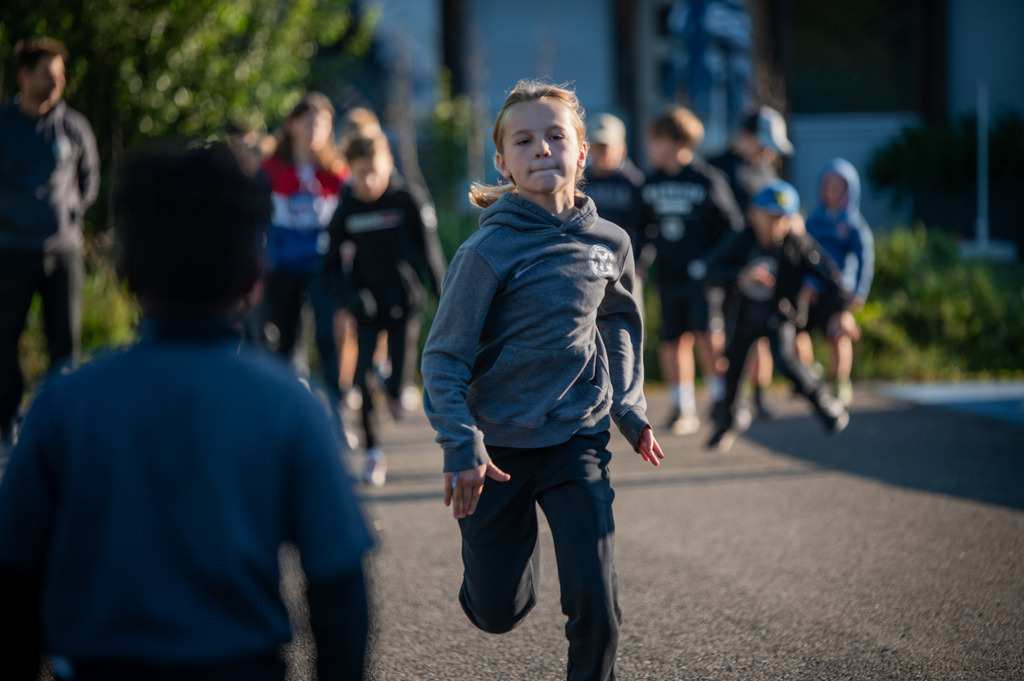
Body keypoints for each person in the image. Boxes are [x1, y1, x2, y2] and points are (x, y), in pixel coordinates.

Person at [0, 143, 373, 680]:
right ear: (255, 274)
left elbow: (14, 579)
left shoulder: (64, 402)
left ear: (126, 273)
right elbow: (339, 587)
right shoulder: (291, 404)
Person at [420, 79, 663, 681]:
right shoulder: (486, 252)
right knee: (498, 612)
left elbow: (621, 322)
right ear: (502, 162)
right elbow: (443, 358)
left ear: (583, 151)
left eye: (557, 136)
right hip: (495, 447)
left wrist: (628, 408)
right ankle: (499, 579)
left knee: (597, 602)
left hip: (575, 436)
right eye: (524, 141)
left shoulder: (610, 242)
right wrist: (461, 443)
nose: (542, 149)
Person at [324, 132, 446, 486]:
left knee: (398, 383)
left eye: (374, 171)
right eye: (360, 173)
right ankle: (373, 452)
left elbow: (432, 256)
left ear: (388, 165)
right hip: (367, 305)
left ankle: (394, 388)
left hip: (405, 303)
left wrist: (446, 300)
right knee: (361, 379)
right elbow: (328, 266)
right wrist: (351, 296)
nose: (368, 181)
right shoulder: (348, 207)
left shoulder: (407, 199)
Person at [705, 179, 858, 452]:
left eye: (783, 219)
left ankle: (825, 404)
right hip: (744, 318)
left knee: (787, 361)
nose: (776, 226)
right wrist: (739, 276)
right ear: (754, 213)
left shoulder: (797, 244)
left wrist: (842, 311)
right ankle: (727, 423)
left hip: (780, 315)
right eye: (770, 218)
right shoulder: (742, 238)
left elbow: (829, 274)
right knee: (734, 370)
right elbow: (710, 270)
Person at [0, 37, 100, 450]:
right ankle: (5, 425)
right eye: (48, 73)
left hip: (62, 250)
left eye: (61, 74)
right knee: (4, 341)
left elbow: (89, 179)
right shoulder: (3, 125)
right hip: (10, 250)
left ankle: (63, 430)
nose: (57, 81)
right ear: (24, 76)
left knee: (65, 343)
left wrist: (71, 216)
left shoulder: (73, 125)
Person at [640, 106, 744, 434]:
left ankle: (721, 402)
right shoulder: (650, 182)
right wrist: (640, 264)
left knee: (707, 336)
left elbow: (733, 227)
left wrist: (712, 263)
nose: (651, 148)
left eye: (656, 141)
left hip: (703, 277)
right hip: (668, 275)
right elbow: (641, 230)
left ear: (679, 142)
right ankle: (682, 407)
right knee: (672, 340)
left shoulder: (707, 178)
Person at [261, 92, 348, 424]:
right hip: (282, 268)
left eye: (323, 124)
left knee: (328, 340)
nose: (316, 130)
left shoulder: (336, 173)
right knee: (285, 343)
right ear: (292, 125)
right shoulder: (269, 170)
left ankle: (337, 415)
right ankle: (286, 417)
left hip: (322, 269)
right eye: (309, 122)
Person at [709, 105, 795, 419]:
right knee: (723, 336)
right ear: (745, 137)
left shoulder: (766, 171)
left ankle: (759, 396)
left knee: (758, 332)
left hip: (761, 269)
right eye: (765, 146)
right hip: (724, 266)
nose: (769, 154)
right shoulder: (716, 168)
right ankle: (728, 398)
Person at [796, 158, 874, 406]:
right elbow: (800, 254)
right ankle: (808, 373)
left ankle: (841, 381)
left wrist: (859, 291)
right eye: (828, 186)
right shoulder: (814, 221)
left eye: (839, 187)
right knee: (797, 331)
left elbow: (865, 261)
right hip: (812, 289)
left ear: (850, 190)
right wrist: (804, 282)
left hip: (839, 291)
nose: (833, 192)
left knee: (838, 334)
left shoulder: (854, 225)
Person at [583, 112, 647, 293]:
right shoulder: (581, 181)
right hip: (586, 263)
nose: (602, 152)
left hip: (625, 264)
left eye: (607, 147)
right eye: (597, 146)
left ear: (622, 149)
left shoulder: (634, 182)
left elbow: (645, 226)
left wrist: (640, 260)